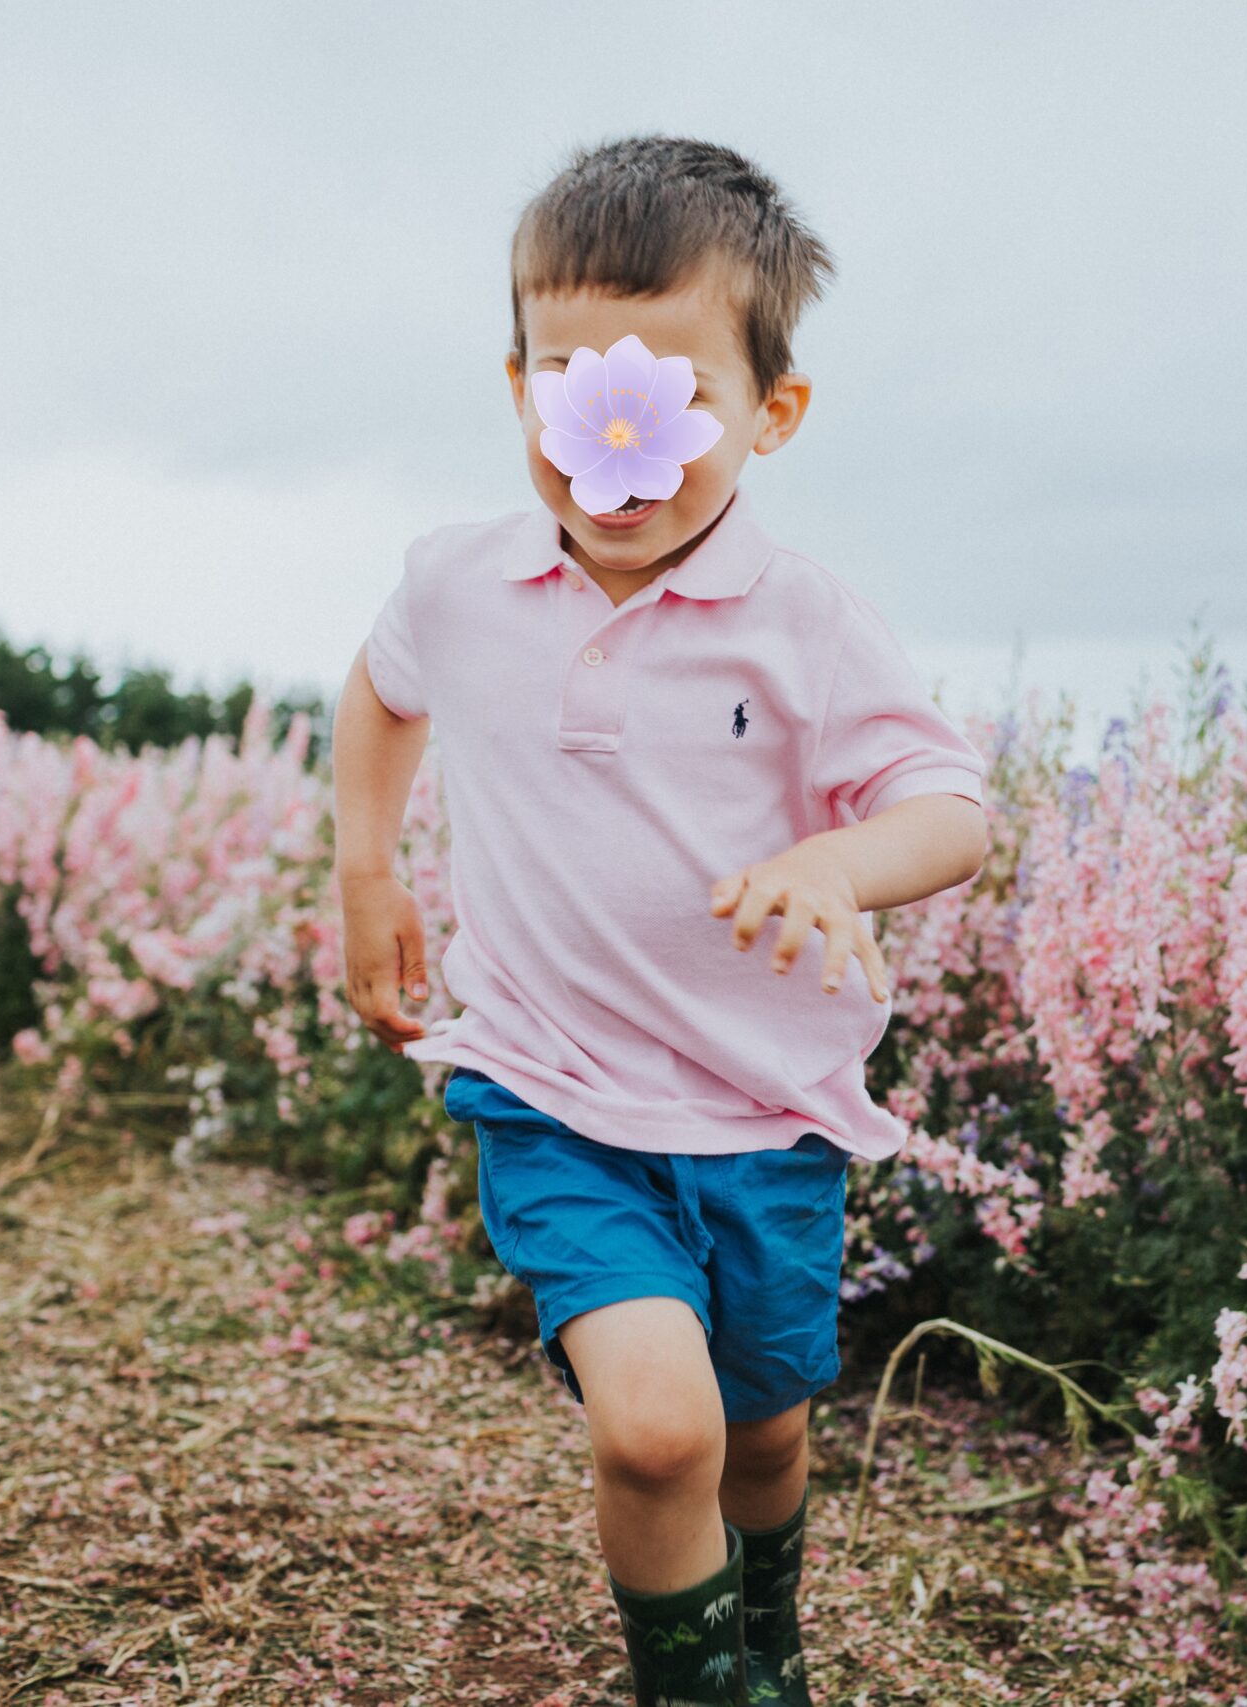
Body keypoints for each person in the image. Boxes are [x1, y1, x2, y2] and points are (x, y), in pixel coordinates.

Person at [329, 135, 989, 1706]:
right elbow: (378, 697)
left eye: (670, 386)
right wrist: (368, 869)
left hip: (767, 1116)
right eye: (569, 374)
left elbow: (953, 808)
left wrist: (837, 866)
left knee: (760, 1426)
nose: (609, 425)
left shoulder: (804, 621)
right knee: (657, 1429)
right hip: (556, 1094)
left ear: (774, 411)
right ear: (517, 384)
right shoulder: (458, 584)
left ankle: (765, 1635)